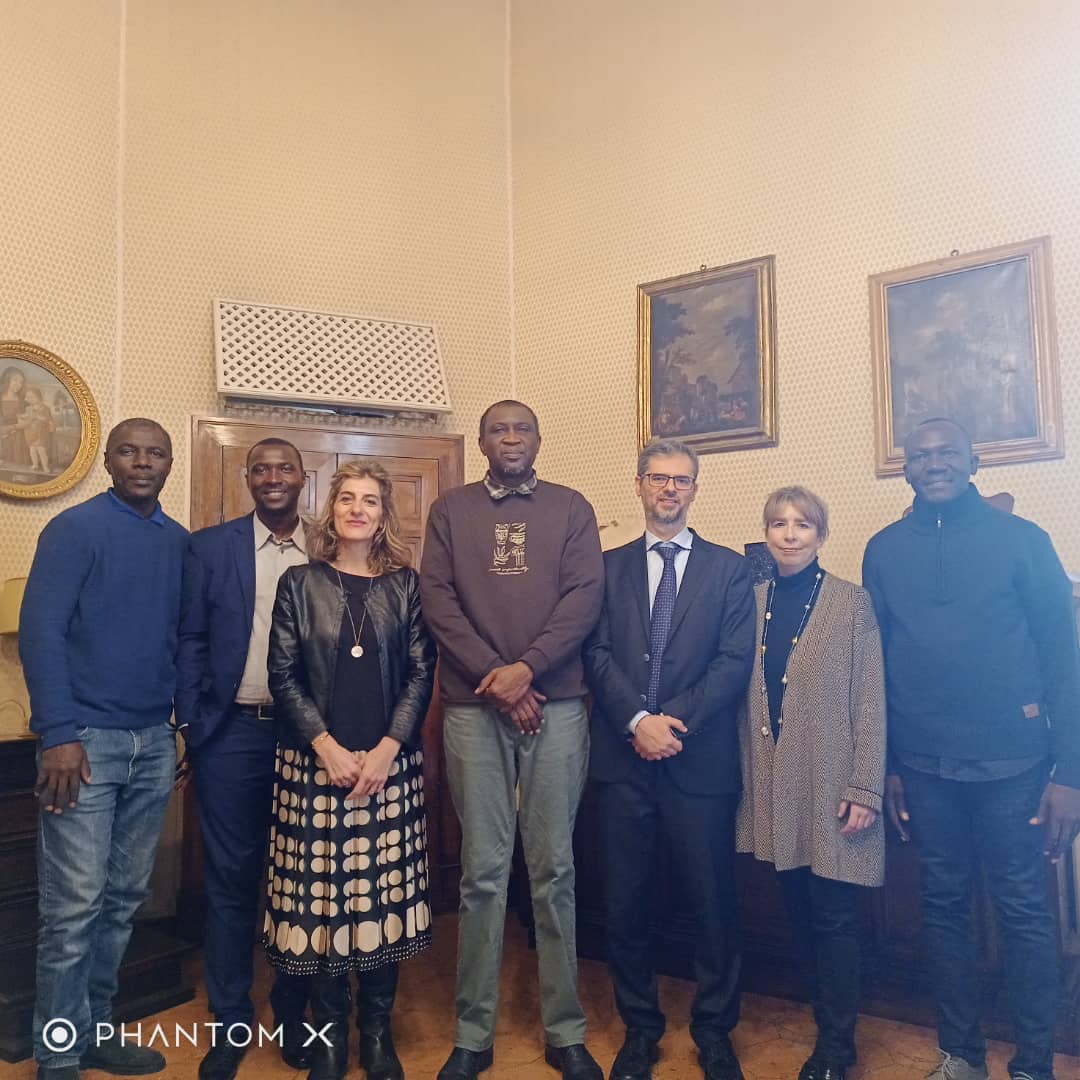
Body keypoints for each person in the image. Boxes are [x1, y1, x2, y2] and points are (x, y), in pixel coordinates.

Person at [863, 418, 1080, 1080]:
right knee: (943, 911)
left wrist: (1070, 772)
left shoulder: (1024, 542)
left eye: (947, 453)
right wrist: (891, 766)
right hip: (925, 770)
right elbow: (878, 665)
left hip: (1016, 768)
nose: (934, 464)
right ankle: (960, 1055)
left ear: (973, 460)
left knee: (1024, 914)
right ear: (906, 468)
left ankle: (1036, 1062)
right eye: (921, 455)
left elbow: (1063, 657)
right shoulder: (883, 549)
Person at [420, 400, 605, 1080]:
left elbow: (585, 597)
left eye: (522, 428)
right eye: (498, 429)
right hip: (473, 708)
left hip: (556, 706)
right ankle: (473, 1033)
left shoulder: (570, 506)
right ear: (481, 442)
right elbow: (436, 599)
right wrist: (498, 679)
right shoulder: (451, 510)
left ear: (537, 437)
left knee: (554, 869)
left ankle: (565, 1028)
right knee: (482, 874)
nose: (510, 439)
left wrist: (527, 671)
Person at [583, 438, 755, 1080]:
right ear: (639, 485)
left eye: (682, 480)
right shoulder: (607, 566)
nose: (670, 489)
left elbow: (735, 661)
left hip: (699, 762)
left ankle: (714, 1031)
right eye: (659, 478)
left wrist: (671, 722)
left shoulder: (729, 569)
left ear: (695, 489)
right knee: (626, 905)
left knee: (713, 905)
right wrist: (636, 721)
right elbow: (595, 652)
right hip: (623, 765)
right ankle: (640, 1031)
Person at [20, 418, 186, 1080]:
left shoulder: (177, 542)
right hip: (84, 744)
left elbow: (178, 640)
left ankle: (94, 1031)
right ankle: (57, 1055)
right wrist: (57, 732)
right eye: (129, 451)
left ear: (169, 464)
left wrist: (177, 732)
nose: (142, 462)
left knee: (122, 899)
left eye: (155, 453)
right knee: (73, 907)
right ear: (111, 462)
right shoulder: (75, 530)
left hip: (154, 743)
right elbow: (41, 633)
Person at [266, 460, 436, 1080]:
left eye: (370, 500)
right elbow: (281, 676)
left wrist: (390, 745)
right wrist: (326, 745)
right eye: (347, 498)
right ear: (330, 509)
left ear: (384, 514)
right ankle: (330, 1033)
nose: (358, 509)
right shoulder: (298, 583)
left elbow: (421, 672)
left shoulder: (405, 587)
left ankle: (376, 1035)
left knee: (378, 904)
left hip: (388, 771)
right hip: (314, 770)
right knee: (324, 909)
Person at [737, 486, 885, 1080]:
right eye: (779, 524)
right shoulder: (749, 603)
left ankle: (836, 1047)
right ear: (766, 534)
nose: (790, 534)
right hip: (775, 789)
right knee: (798, 912)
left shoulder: (852, 603)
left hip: (834, 786)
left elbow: (871, 702)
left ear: (821, 534)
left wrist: (865, 786)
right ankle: (826, 1021)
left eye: (803, 524)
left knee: (836, 918)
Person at [176, 437, 312, 1080]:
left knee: (301, 885)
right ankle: (230, 1022)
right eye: (261, 468)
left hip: (311, 738)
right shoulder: (211, 547)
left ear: (303, 478)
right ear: (247, 478)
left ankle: (296, 1014)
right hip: (231, 733)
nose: (273, 477)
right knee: (232, 884)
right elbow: (191, 638)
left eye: (285, 467)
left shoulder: (329, 544)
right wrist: (195, 720)